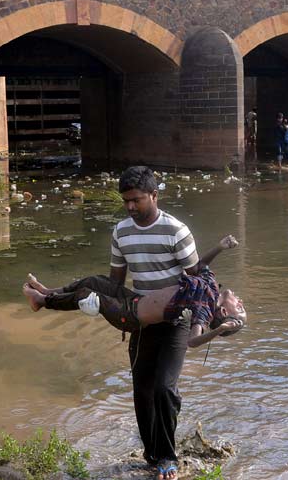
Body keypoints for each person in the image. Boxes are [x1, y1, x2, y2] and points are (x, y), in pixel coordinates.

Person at [62, 166, 195, 480]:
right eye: (126, 201)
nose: (131, 207)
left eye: (136, 200)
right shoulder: (121, 231)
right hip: (140, 320)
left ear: (154, 195)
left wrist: (207, 323)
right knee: (142, 391)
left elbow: (200, 282)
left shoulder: (176, 231)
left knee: (165, 388)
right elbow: (116, 283)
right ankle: (152, 457)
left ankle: (168, 458)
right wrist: (111, 312)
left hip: (178, 319)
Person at [22, 234, 246, 348]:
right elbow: (198, 267)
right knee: (95, 280)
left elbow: (192, 341)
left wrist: (219, 330)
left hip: (130, 316)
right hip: (133, 299)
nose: (241, 301)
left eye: (240, 308)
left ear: (225, 313)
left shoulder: (204, 309)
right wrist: (220, 247)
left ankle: (42, 301)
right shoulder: (210, 287)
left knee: (87, 295)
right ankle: (50, 291)